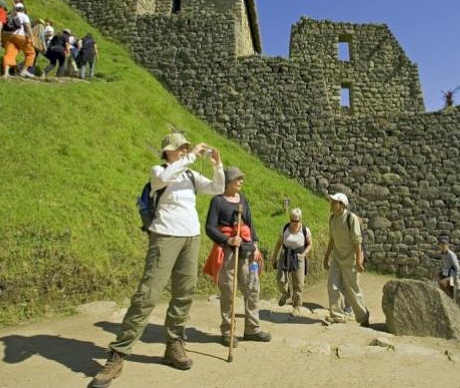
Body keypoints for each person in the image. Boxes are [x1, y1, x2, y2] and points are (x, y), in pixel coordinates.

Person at [91, 133, 224, 388]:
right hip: (165, 237)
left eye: (185, 147)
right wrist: (194, 155)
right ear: (168, 152)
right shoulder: (159, 172)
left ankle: (174, 345)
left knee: (184, 293)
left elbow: (217, 188)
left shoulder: (189, 176)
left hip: (191, 238)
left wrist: (217, 165)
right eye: (179, 148)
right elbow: (164, 178)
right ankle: (118, 354)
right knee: (147, 295)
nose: (184, 151)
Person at [205, 167, 272, 347]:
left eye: (241, 179)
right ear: (228, 182)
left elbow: (250, 224)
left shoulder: (243, 200)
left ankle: (252, 329)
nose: (241, 181)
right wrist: (228, 240)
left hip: (247, 251)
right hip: (228, 253)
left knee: (252, 289)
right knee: (228, 292)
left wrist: (256, 245)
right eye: (237, 179)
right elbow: (210, 228)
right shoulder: (217, 202)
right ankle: (228, 332)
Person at [323, 193, 370, 326]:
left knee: (353, 290)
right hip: (337, 258)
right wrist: (326, 258)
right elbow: (332, 240)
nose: (331, 204)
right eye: (331, 201)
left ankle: (363, 316)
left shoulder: (351, 218)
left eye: (334, 202)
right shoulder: (332, 219)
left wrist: (359, 261)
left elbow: (357, 241)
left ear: (342, 205)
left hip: (350, 259)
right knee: (332, 285)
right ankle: (337, 315)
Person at [270, 208, 312, 316]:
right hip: (285, 255)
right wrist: (274, 256)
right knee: (280, 278)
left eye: (296, 221)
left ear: (300, 220)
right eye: (292, 220)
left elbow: (310, 244)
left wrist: (304, 254)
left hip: (299, 256)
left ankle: (297, 306)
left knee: (298, 282)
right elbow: (279, 242)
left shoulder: (305, 230)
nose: (293, 223)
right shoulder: (285, 228)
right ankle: (286, 293)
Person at [1, 2, 35, 78]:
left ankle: (6, 73)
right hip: (19, 35)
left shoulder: (10, 15)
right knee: (31, 53)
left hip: (8, 35)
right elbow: (27, 26)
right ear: (23, 9)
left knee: (10, 53)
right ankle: (24, 71)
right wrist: (31, 38)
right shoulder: (24, 15)